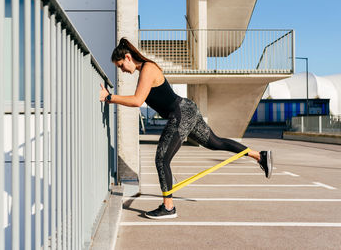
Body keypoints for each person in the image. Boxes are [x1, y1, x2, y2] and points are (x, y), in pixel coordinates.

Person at [99, 38, 273, 219]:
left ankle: (168, 208)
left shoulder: (147, 69)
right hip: (186, 109)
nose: (122, 70)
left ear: (128, 57)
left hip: (181, 113)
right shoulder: (145, 70)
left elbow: (137, 101)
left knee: (161, 159)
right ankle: (260, 156)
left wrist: (109, 97)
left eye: (120, 65)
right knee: (215, 143)